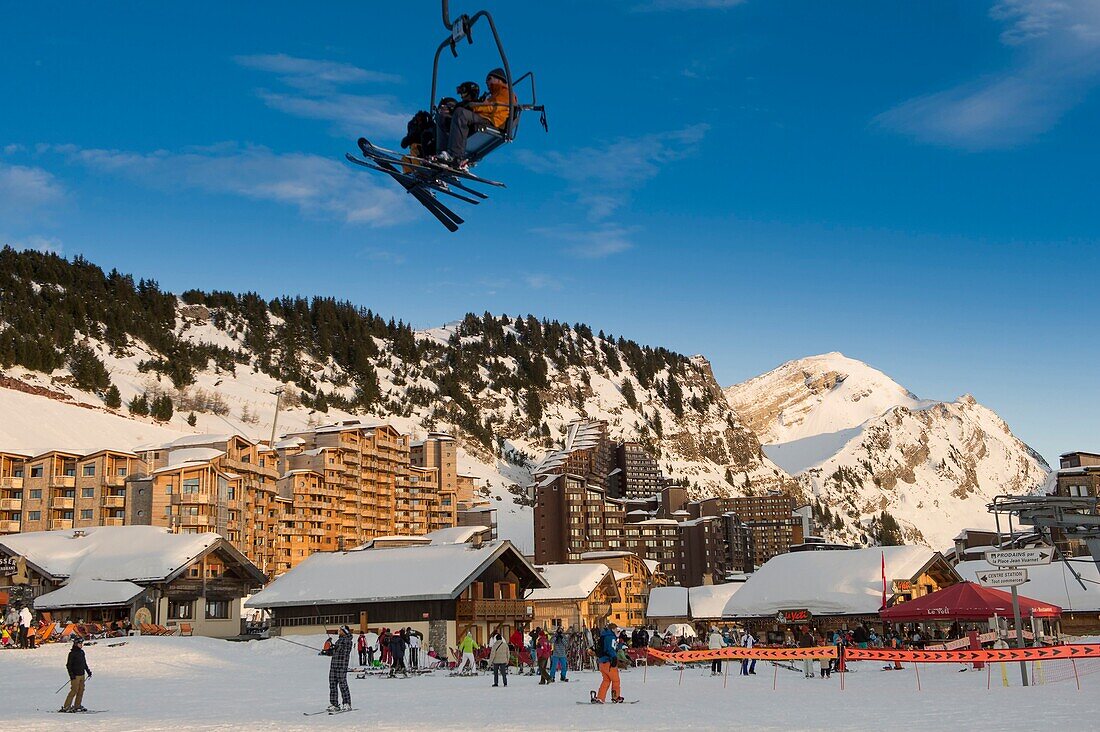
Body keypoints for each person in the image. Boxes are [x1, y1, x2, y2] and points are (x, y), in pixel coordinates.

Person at [433, 68, 516, 169]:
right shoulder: (493, 95)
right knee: (443, 119)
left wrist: (470, 106)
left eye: (489, 79)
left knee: (461, 113)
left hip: (492, 121)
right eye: (486, 82)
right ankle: (441, 155)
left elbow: (491, 107)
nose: (487, 83)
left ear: (499, 79)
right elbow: (486, 106)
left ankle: (454, 155)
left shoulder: (506, 93)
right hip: (484, 118)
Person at [593, 622, 623, 704]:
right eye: (616, 630)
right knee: (616, 680)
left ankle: (600, 697)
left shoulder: (604, 636)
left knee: (606, 680)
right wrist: (614, 657)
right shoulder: (611, 637)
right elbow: (610, 649)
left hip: (602, 662)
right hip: (609, 662)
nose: (618, 632)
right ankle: (616, 697)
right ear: (612, 629)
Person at [60, 636, 91, 713]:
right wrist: (71, 675)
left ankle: (77, 705)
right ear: (75, 644)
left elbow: (84, 663)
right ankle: (66, 706)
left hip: (82, 674)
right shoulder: (72, 654)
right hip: (75, 675)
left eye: (82, 643)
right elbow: (68, 665)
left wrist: (88, 671)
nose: (81, 645)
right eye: (80, 643)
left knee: (81, 690)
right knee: (74, 690)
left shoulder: (81, 652)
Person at [327, 625, 353, 713]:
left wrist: (334, 648)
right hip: (334, 665)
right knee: (332, 685)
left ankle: (347, 703)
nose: (339, 631)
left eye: (340, 630)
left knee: (343, 685)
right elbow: (334, 652)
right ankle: (334, 704)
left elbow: (343, 651)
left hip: (341, 666)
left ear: (344, 631)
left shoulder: (348, 641)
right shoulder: (339, 640)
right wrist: (329, 649)